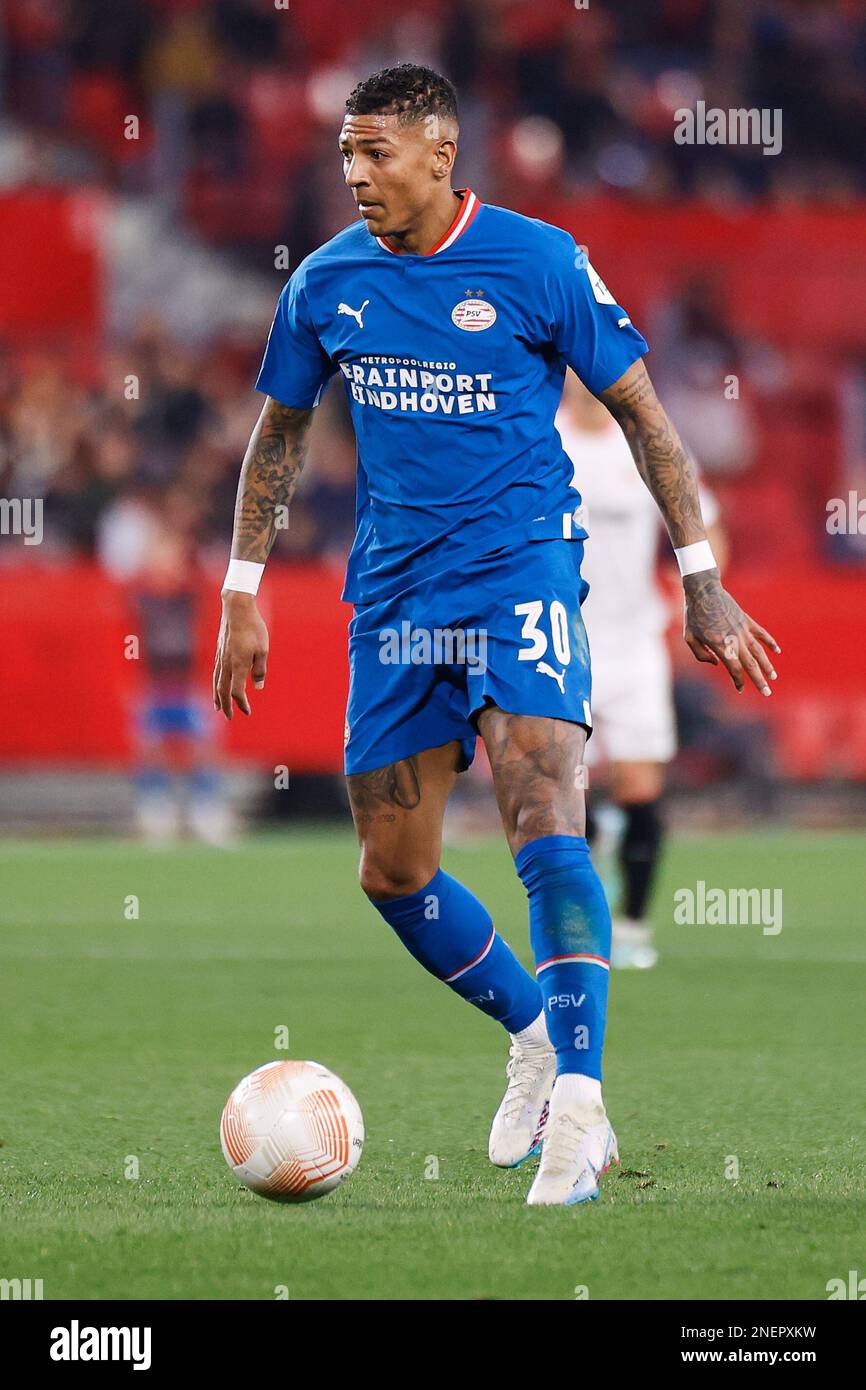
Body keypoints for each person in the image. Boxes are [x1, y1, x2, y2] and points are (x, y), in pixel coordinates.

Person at [213, 64, 780, 1207]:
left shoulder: (538, 261)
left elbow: (645, 420)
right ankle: (529, 1029)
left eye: (376, 154)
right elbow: (276, 437)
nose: (356, 176)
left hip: (520, 574)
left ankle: (578, 1100)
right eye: (345, 158)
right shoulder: (324, 283)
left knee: (542, 806)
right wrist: (240, 586)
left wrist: (700, 576)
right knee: (391, 868)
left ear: (439, 152)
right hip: (394, 603)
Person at [556, 371, 728, 969]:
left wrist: (701, 595)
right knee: (558, 796)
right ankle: (576, 928)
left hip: (633, 643)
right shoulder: (541, 438)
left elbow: (704, 524)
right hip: (557, 639)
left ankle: (631, 924)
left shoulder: (646, 440)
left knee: (639, 787)